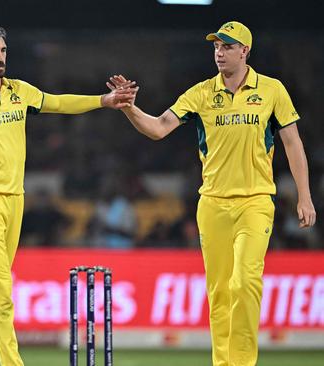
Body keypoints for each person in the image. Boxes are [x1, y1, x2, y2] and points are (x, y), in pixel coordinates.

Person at [110, 21, 316, 366]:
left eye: (228, 46)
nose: (219, 52)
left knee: (245, 282)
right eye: (216, 47)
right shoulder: (201, 93)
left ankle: (243, 362)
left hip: (255, 201)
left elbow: (293, 143)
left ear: (245, 51)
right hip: (213, 204)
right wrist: (130, 108)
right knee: (219, 293)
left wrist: (304, 196)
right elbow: (159, 128)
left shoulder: (272, 90)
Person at [0, 24, 136, 366]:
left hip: (15, 199)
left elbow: (58, 103)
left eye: (2, 51)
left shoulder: (20, 90)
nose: (0, 57)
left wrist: (103, 101)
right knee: (0, 295)